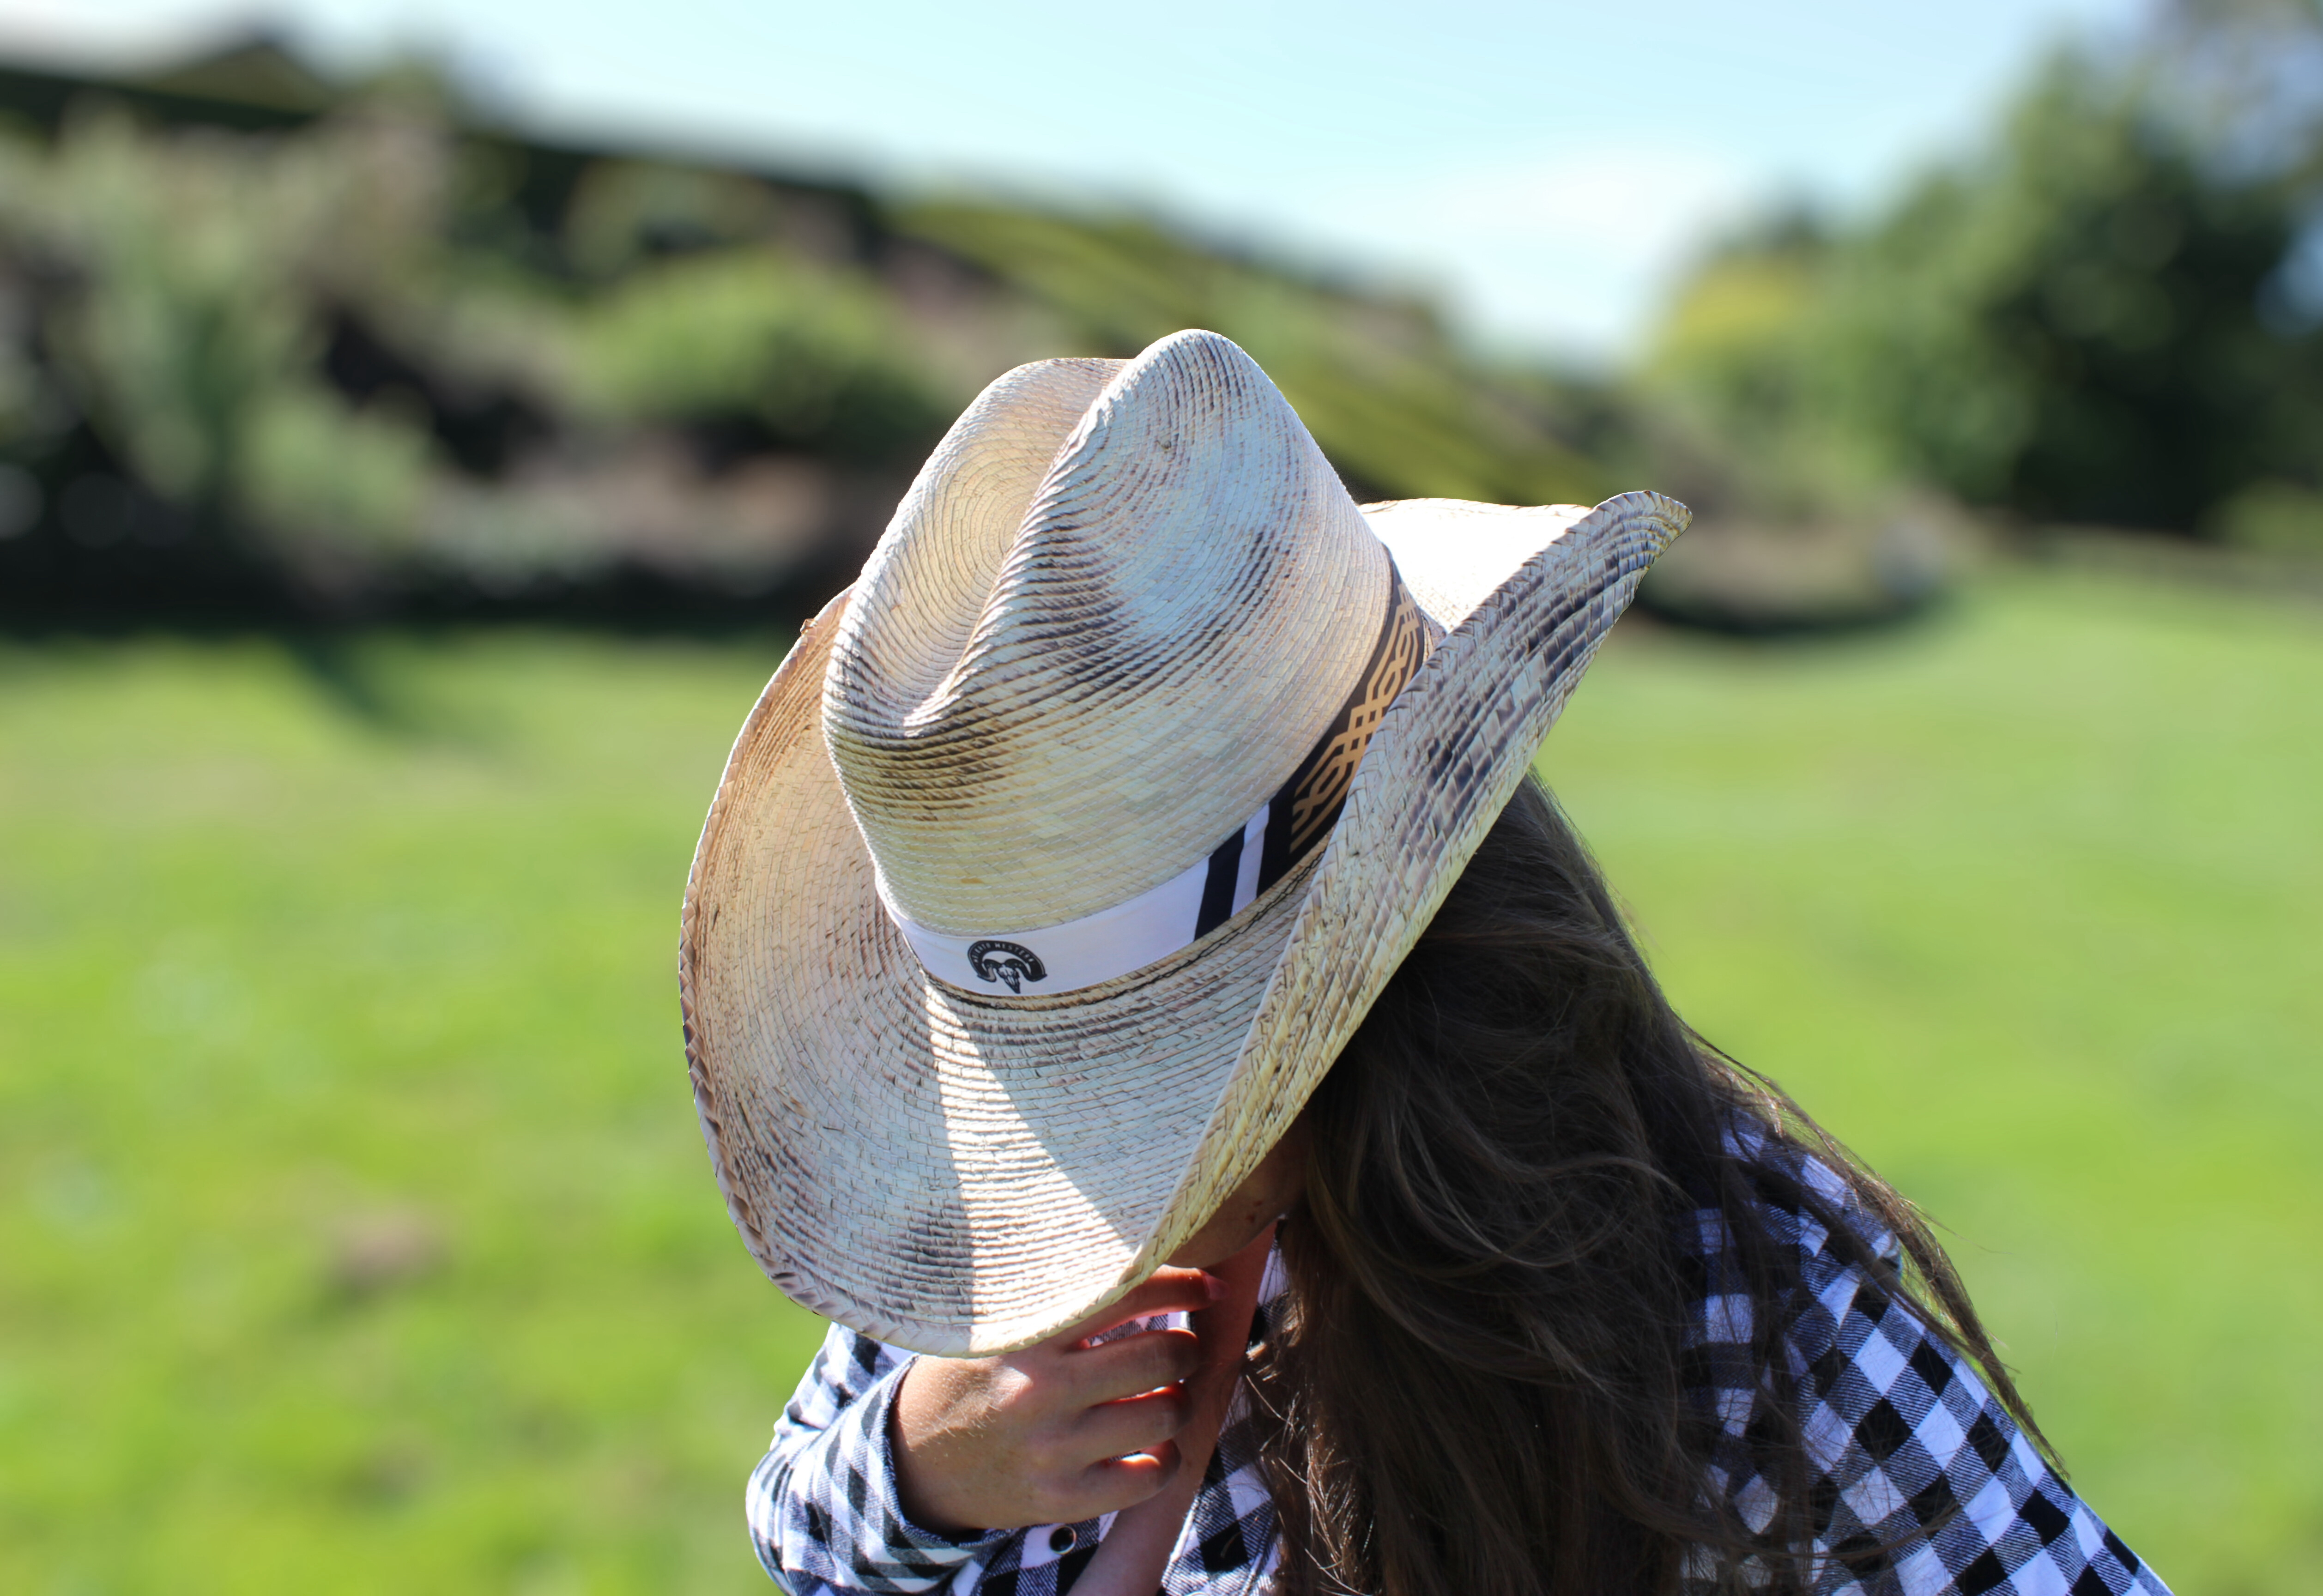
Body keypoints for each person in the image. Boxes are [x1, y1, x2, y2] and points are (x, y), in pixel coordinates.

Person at [678, 330, 2171, 1596]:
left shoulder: (1721, 1300)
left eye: (1153, 1092)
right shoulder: (1000, 1202)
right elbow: (799, 1523)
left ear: (1394, 996)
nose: (1089, 1189)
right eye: (1061, 1086)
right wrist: (920, 1475)